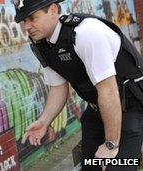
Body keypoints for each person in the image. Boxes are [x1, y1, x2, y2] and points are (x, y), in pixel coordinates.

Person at [14, 0, 143, 170]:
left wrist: (111, 145)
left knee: (118, 167)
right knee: (90, 166)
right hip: (98, 109)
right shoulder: (43, 44)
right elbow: (58, 87)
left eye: (32, 18)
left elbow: (108, 91)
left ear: (53, 10)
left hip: (130, 108)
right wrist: (44, 122)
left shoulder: (86, 33)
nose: (26, 26)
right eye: (23, 21)